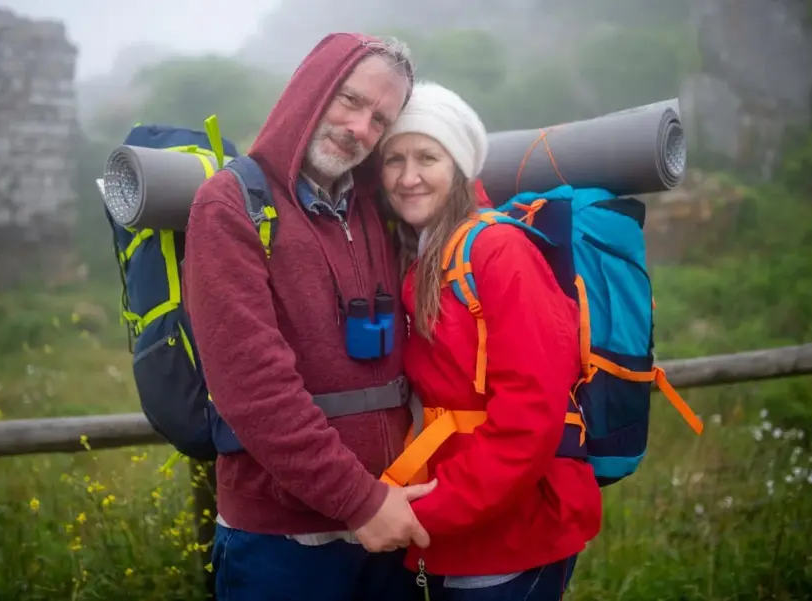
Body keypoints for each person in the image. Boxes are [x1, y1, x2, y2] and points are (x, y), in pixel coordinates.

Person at [182, 33, 437, 601]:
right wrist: (359, 501)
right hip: (282, 545)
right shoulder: (229, 205)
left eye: (379, 119)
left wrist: (380, 504)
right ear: (312, 89)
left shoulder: (377, 209)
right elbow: (254, 388)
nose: (359, 129)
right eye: (350, 100)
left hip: (387, 527)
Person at [378, 81, 603, 600]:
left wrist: (429, 511)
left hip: (511, 533)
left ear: (459, 166)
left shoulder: (499, 250)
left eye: (427, 157)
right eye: (394, 160)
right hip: (460, 526)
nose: (408, 177)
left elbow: (529, 415)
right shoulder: (423, 254)